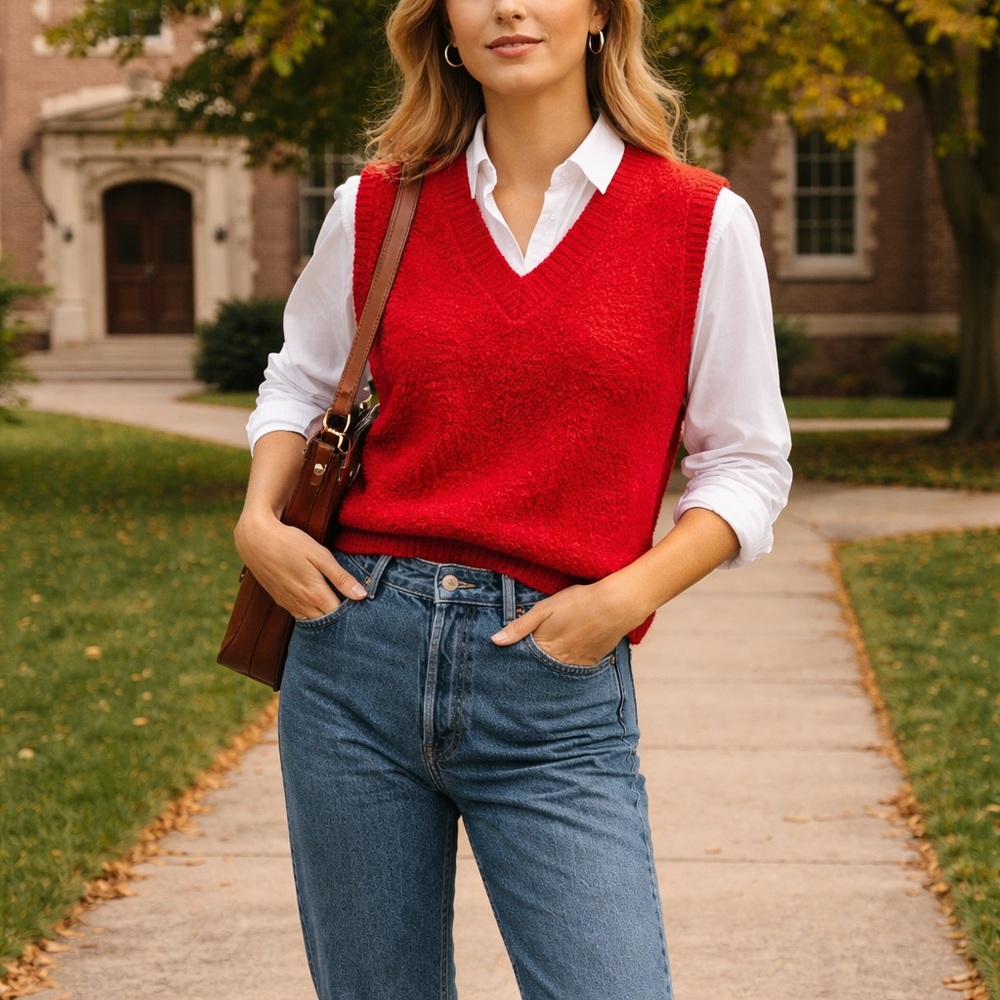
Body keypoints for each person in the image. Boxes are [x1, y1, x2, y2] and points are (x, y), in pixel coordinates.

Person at [235, 0, 792, 997]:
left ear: (599, 18)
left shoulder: (700, 220)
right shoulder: (376, 205)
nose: (507, 5)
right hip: (353, 656)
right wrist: (256, 522)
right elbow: (299, 380)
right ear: (442, 27)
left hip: (554, 680)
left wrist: (621, 600)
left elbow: (745, 465)